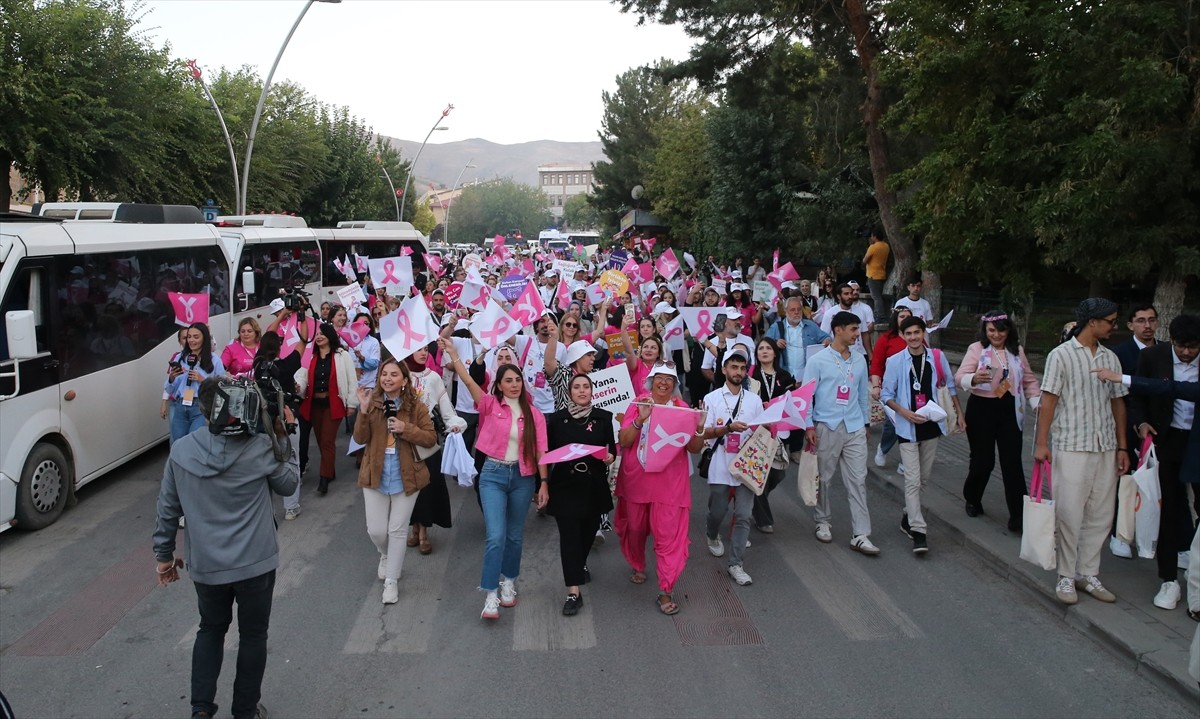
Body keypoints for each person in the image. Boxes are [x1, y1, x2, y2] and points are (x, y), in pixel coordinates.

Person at [152, 376, 299, 719]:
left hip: (206, 565)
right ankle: (245, 711)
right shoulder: (261, 448)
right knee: (253, 636)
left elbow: (167, 510)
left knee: (211, 629)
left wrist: (163, 558)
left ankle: (201, 709)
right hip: (255, 564)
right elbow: (289, 483)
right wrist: (282, 436)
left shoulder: (182, 451)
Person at [440, 339, 549, 620]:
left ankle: (509, 582)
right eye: (508, 380)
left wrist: (544, 484)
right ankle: (490, 593)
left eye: (518, 380)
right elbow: (465, 380)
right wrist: (452, 352)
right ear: (499, 385)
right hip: (492, 475)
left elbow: (541, 451)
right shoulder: (489, 405)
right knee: (496, 536)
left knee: (514, 536)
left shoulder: (533, 414)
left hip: (523, 479)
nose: (514, 384)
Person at [1034, 298, 1129, 605]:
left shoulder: (1111, 358)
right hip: (1071, 444)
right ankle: (1065, 576)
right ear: (1093, 322)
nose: (1114, 326)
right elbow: (1048, 400)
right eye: (1110, 321)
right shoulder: (1060, 355)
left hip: (1105, 446)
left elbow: (1118, 402)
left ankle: (1088, 573)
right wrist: (1041, 443)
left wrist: (1122, 445)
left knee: (1101, 514)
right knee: (1069, 512)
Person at [615, 364, 706, 615]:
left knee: (668, 536)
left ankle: (665, 590)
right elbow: (624, 441)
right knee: (635, 528)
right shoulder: (638, 402)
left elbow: (694, 448)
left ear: (675, 385)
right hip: (637, 479)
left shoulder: (682, 409)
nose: (663, 383)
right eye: (659, 378)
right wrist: (639, 419)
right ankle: (637, 563)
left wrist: (699, 427)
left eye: (669, 379)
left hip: (670, 483)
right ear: (651, 381)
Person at [1123, 314, 1199, 610]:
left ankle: (1195, 570)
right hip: (1165, 441)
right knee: (1167, 507)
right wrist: (1141, 423)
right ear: (1172, 340)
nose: (1187, 353)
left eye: (1194, 347)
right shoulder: (1153, 357)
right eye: (1182, 346)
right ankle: (1168, 579)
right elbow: (1137, 397)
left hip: (1196, 441)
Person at [353, 358, 438, 605]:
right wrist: (363, 409)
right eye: (384, 374)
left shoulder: (416, 406)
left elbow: (430, 439)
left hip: (407, 473)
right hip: (375, 472)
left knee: (397, 530)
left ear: (403, 380)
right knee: (377, 531)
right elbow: (360, 438)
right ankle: (385, 554)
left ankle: (391, 582)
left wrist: (405, 428)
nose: (387, 379)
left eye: (393, 375)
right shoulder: (373, 403)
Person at [881, 316, 965, 553]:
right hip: (907, 427)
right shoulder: (896, 361)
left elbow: (949, 387)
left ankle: (908, 516)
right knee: (912, 480)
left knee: (924, 479)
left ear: (924, 333)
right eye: (909, 334)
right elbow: (886, 394)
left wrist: (959, 414)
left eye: (917, 332)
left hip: (931, 425)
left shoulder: (936, 357)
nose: (914, 337)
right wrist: (903, 412)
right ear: (902, 336)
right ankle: (919, 531)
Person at [954, 310, 1042, 530]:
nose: (996, 335)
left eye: (1001, 330)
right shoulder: (977, 349)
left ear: (1008, 330)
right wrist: (972, 378)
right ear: (985, 330)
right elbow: (958, 377)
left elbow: (1029, 380)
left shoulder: (1016, 351)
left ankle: (1018, 518)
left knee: (1012, 462)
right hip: (982, 408)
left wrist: (1036, 401)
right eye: (991, 330)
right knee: (983, 461)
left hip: (1010, 410)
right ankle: (972, 497)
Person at [802, 311, 879, 554]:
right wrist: (808, 426)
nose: (858, 334)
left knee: (858, 480)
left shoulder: (859, 360)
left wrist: (865, 424)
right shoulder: (818, 360)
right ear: (838, 330)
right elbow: (807, 395)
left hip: (854, 426)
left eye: (858, 329)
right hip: (827, 425)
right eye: (854, 329)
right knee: (825, 477)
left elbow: (862, 394)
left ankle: (861, 533)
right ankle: (822, 521)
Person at [541, 374, 616, 616]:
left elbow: (611, 450)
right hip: (565, 487)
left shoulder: (604, 418)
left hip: (593, 486)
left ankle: (579, 563)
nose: (582, 391)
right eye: (577, 387)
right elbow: (547, 452)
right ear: (570, 391)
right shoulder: (557, 419)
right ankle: (573, 591)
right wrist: (543, 484)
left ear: (592, 391)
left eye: (586, 387)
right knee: (570, 539)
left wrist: (610, 457)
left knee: (586, 535)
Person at [701, 346, 766, 586]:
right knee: (717, 510)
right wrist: (727, 428)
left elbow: (762, 430)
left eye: (742, 368)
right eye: (734, 367)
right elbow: (703, 432)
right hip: (720, 462)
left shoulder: (754, 400)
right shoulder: (712, 398)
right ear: (724, 369)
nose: (738, 372)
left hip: (748, 465)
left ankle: (736, 564)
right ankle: (711, 534)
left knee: (743, 515)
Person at [405, 346, 467, 555]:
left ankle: (422, 532)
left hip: (428, 439)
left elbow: (446, 409)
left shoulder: (433, 378)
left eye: (425, 349)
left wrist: (455, 424)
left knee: (427, 486)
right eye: (418, 349)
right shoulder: (399, 374)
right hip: (403, 440)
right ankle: (413, 526)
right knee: (409, 487)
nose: (423, 353)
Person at [295, 323, 359, 494]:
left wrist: (352, 404)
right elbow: (302, 378)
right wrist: (298, 387)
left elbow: (352, 380)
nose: (319, 336)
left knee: (327, 441)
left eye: (322, 334)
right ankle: (330, 471)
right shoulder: (311, 356)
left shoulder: (342, 355)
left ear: (330, 336)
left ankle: (324, 479)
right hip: (315, 405)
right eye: (317, 334)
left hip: (333, 404)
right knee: (321, 441)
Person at [253, 333, 304, 520]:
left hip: (265, 419)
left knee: (267, 462)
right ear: (279, 347)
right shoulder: (287, 365)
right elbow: (304, 341)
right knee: (291, 459)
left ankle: (268, 509)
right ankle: (291, 507)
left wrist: (282, 316)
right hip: (286, 418)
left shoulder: (258, 365)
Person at [749, 337, 795, 533]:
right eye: (761, 348)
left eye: (768, 348)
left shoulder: (784, 376)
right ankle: (762, 518)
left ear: (775, 353)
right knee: (759, 473)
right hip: (757, 430)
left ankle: (756, 500)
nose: (764, 351)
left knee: (777, 473)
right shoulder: (750, 374)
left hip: (779, 431)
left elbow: (793, 403)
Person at [870, 306, 915, 468]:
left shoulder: (917, 338)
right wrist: (876, 386)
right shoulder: (886, 339)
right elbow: (876, 364)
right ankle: (883, 449)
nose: (905, 319)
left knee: (912, 424)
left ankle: (906, 461)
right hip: (892, 390)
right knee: (892, 424)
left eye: (908, 316)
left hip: (914, 389)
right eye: (902, 316)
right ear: (895, 319)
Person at [165, 323, 226, 443]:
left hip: (201, 407)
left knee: (194, 443)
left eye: (196, 337)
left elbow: (223, 388)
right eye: (189, 337)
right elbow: (169, 389)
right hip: (180, 406)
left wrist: (203, 380)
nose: (191, 340)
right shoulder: (180, 358)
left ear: (204, 338)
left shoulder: (214, 360)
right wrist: (172, 378)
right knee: (178, 444)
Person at [765, 295, 831, 380]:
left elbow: (826, 338)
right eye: (792, 310)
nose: (796, 312)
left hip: (807, 376)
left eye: (799, 309)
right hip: (784, 376)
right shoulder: (776, 327)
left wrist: (827, 340)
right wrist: (775, 344)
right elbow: (765, 346)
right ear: (785, 311)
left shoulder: (810, 325)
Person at [819, 283, 874, 359]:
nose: (850, 296)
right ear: (839, 296)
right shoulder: (829, 313)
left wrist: (870, 355)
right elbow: (823, 336)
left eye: (851, 293)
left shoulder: (860, 311)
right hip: (837, 355)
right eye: (846, 294)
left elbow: (865, 334)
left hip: (859, 354)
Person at [160, 328, 189, 443]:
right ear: (179, 341)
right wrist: (163, 402)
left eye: (191, 336)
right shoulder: (176, 357)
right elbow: (169, 380)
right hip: (176, 403)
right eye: (184, 338)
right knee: (175, 437)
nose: (188, 340)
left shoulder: (202, 356)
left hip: (194, 403)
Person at [862, 227, 890, 312]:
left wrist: (870, 246)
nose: (871, 238)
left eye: (871, 236)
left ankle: (879, 315)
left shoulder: (873, 247)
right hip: (882, 274)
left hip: (873, 275)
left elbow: (865, 260)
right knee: (879, 295)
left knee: (876, 297)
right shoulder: (886, 246)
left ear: (874, 236)